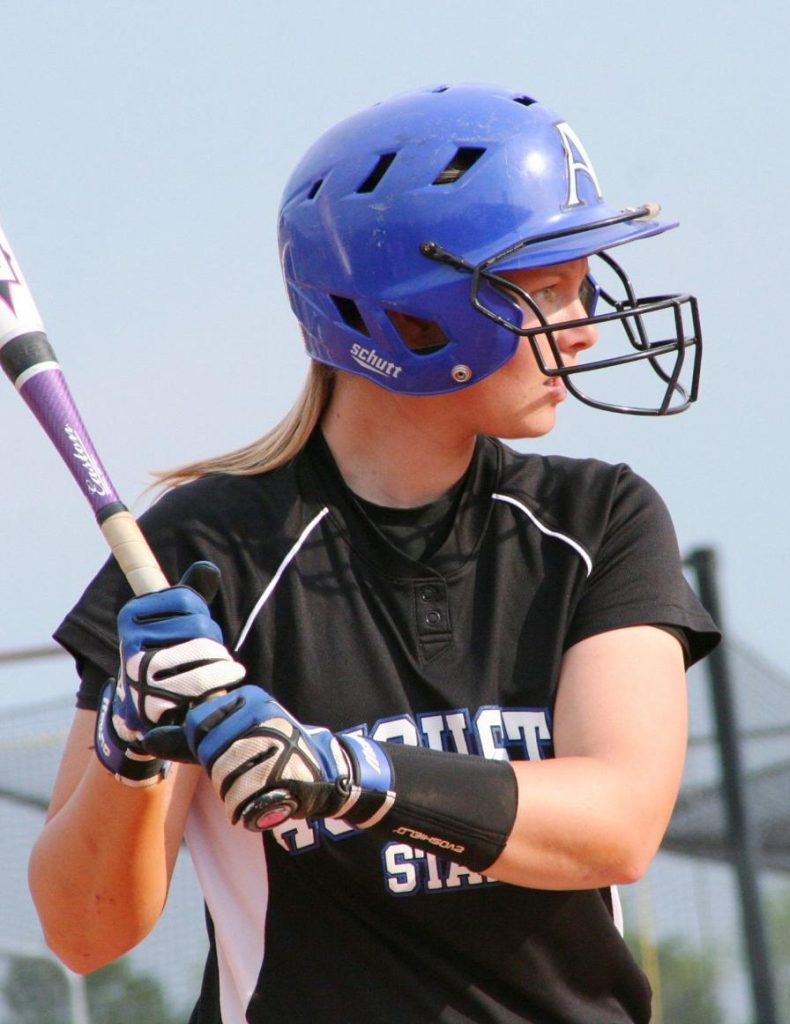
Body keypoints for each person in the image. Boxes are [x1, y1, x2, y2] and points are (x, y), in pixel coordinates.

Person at [29, 83, 720, 1024]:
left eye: (583, 285)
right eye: (547, 288)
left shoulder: (595, 521)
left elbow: (617, 825)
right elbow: (86, 931)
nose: (586, 324)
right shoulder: (203, 555)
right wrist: (130, 747)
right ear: (416, 317)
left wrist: (350, 777)